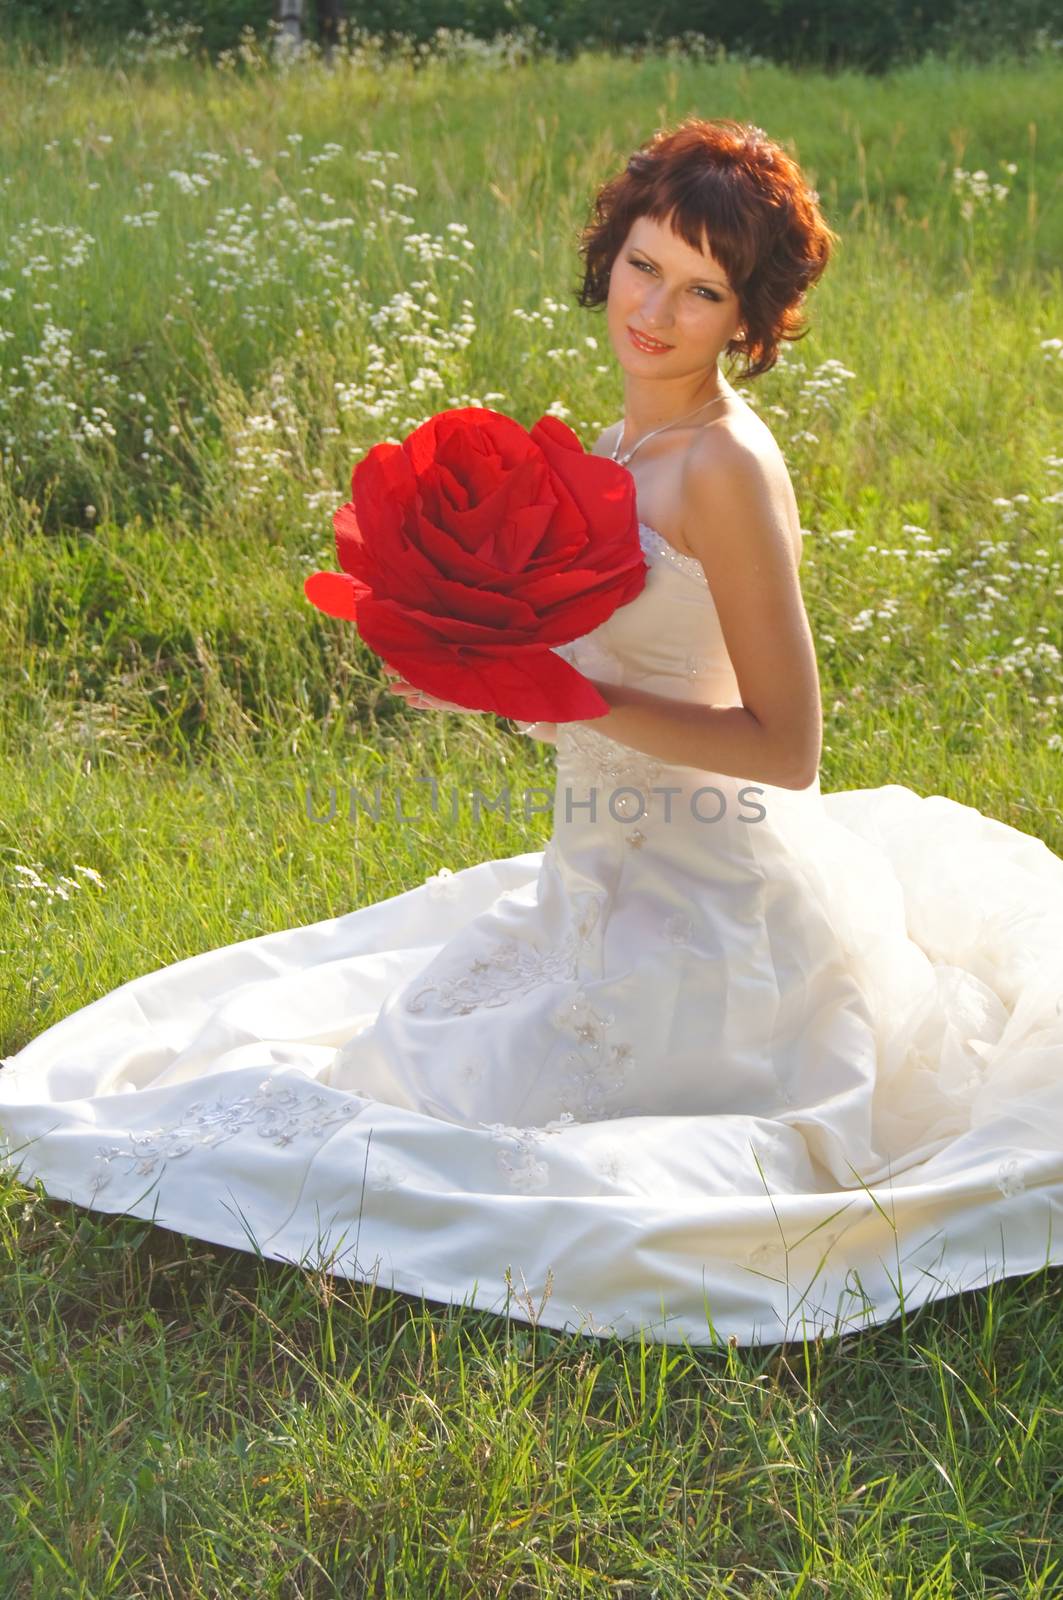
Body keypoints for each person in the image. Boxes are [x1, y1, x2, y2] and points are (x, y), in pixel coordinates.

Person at [2, 119, 1061, 1350]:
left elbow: (788, 750)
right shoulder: (619, 441)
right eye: (643, 265)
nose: (656, 310)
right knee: (384, 1056)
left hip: (714, 901)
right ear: (609, 253)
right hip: (600, 863)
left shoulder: (720, 465)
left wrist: (549, 699)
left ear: (750, 320)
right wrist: (460, 651)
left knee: (475, 1135)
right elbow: (609, 657)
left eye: (703, 290)